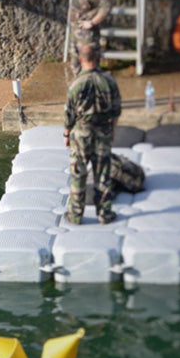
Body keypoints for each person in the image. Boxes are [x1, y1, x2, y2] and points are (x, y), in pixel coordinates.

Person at [64, 44, 121, 224]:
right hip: (103, 131)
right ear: (98, 58)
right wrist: (111, 131)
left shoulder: (75, 83)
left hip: (81, 132)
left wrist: (67, 134)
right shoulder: (109, 81)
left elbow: (69, 114)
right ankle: (104, 214)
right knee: (102, 173)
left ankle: (76, 214)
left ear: (81, 59)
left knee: (78, 172)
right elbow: (116, 111)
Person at [64, 0, 111, 75]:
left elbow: (106, 7)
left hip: (87, 37)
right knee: (75, 67)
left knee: (90, 69)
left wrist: (92, 22)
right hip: (75, 34)